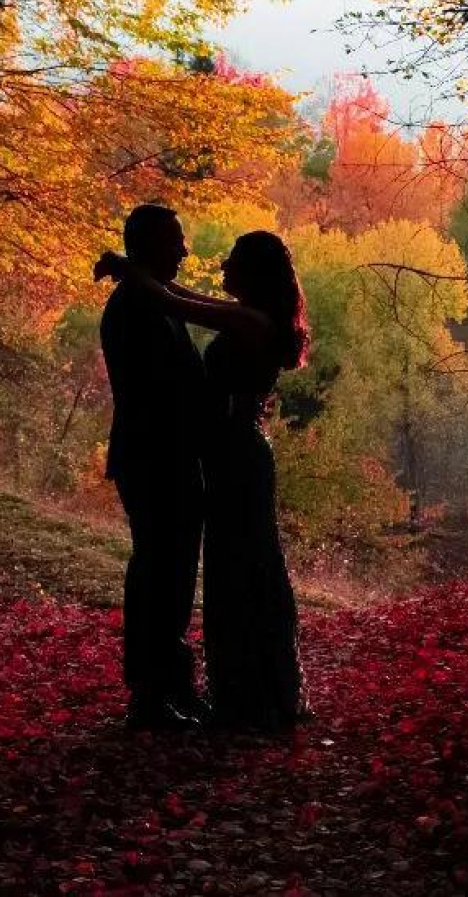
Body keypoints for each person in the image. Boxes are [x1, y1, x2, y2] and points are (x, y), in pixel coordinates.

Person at [96, 230, 311, 734]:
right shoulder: (249, 315)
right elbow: (189, 299)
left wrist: (129, 269)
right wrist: (136, 268)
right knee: (237, 565)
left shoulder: (248, 320)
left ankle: (251, 695)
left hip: (237, 457)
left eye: (233, 260)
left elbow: (176, 301)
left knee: (242, 566)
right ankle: (247, 690)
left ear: (254, 272)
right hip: (233, 455)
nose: (221, 264)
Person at [99, 204, 208, 732]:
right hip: (151, 454)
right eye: (176, 241)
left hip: (167, 454)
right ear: (149, 246)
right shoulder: (135, 307)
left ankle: (171, 684)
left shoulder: (154, 301)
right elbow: (162, 388)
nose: (185, 252)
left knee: (175, 571)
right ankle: (151, 693)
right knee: (158, 572)